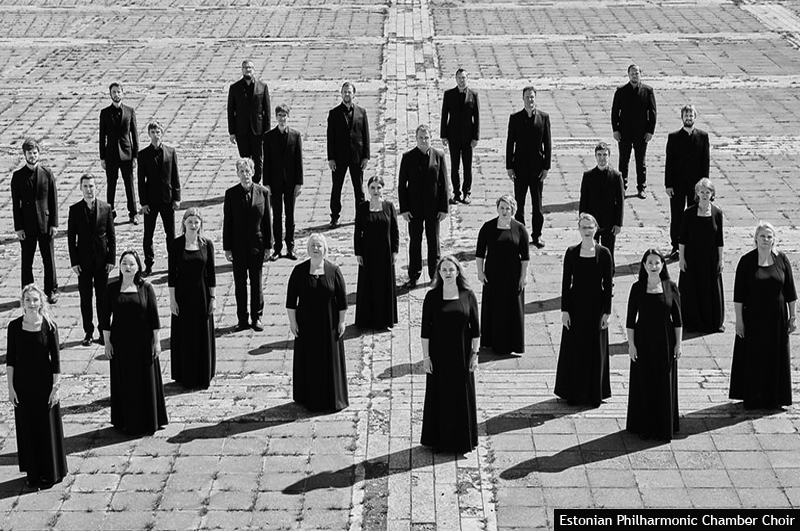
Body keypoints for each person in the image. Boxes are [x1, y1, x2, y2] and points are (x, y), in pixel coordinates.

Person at [729, 222, 797, 409]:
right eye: (762, 236)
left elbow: (790, 292)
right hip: (753, 318)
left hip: (777, 319)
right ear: (756, 239)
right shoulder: (746, 261)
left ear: (774, 239)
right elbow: (738, 295)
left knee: (775, 357)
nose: (766, 240)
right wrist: (739, 321)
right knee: (754, 357)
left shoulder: (782, 259)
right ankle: (753, 397)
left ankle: (775, 397)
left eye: (769, 236)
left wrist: (793, 317)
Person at [100, 250, 168, 435]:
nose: (127, 267)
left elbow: (154, 318)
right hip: (121, 343)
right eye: (124, 264)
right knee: (125, 382)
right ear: (119, 267)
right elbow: (105, 319)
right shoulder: (111, 288)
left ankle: (149, 420)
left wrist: (157, 343)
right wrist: (107, 343)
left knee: (145, 381)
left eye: (131, 264)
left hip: (143, 343)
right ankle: (126, 421)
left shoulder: (146, 288)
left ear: (138, 267)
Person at [6, 284, 67, 488]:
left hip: (45, 384)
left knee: (46, 429)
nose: (32, 304)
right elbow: (11, 360)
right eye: (28, 300)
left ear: (41, 301)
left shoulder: (50, 326)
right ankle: (33, 474)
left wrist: (55, 387)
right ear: (22, 303)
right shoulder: (14, 327)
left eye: (35, 299)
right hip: (23, 385)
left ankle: (50, 473)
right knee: (28, 428)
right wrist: (10, 388)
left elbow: (56, 361)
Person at [420, 256, 480, 453]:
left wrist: (475, 354)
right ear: (438, 273)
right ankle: (438, 440)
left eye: (450, 269)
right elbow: (425, 331)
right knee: (439, 395)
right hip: (438, 356)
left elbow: (476, 330)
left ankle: (463, 441)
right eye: (443, 270)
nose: (447, 273)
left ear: (457, 272)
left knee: (461, 395)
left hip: (462, 355)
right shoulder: (431, 297)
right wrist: (426, 357)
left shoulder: (468, 295)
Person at [554, 213, 613, 407]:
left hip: (596, 307)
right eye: (583, 227)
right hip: (576, 306)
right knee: (576, 349)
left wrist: (607, 313)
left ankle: (594, 393)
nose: (587, 231)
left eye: (590, 227)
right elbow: (565, 283)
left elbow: (608, 284)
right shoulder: (571, 252)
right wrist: (564, 310)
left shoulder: (604, 253)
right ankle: (574, 392)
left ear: (596, 229)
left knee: (595, 350)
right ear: (579, 230)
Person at [286, 234, 349, 412]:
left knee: (329, 362)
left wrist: (342, 322)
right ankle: (308, 397)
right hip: (307, 327)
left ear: (325, 249)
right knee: (309, 361)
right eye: (312, 245)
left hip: (329, 326)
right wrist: (293, 323)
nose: (315, 248)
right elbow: (291, 302)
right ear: (308, 249)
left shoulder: (334, 271)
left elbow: (342, 302)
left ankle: (332, 398)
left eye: (319, 246)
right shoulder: (299, 271)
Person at [625, 249, 682, 441]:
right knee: (645, 382)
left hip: (666, 342)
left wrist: (678, 345)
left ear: (663, 265)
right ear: (644, 265)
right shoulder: (637, 288)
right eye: (649, 262)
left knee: (663, 383)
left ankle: (663, 427)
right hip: (643, 341)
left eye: (657, 262)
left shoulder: (671, 287)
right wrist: (631, 345)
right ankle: (645, 426)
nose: (653, 266)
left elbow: (678, 320)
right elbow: (631, 320)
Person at [169, 208, 217, 389]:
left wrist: (213, 297)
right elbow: (172, 275)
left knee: (201, 334)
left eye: (196, 222)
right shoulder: (176, 245)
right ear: (184, 223)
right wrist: (172, 300)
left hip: (202, 294)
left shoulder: (207, 244)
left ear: (200, 224)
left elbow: (211, 274)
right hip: (182, 295)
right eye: (190, 222)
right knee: (185, 335)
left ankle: (203, 373)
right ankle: (186, 375)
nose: (193, 225)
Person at [223, 158, 273, 332]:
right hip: (237, 246)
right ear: (237, 173)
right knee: (240, 284)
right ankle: (242, 319)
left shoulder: (263, 193)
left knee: (256, 282)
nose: (245, 174)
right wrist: (227, 247)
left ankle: (257, 317)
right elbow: (227, 221)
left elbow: (267, 221)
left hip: (257, 245)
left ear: (253, 172)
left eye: (247, 171)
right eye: (241, 171)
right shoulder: (230, 194)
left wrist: (269, 245)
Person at [475, 195, 529, 355]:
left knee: (513, 308)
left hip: (513, 275)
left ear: (513, 209)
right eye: (502, 208)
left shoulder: (520, 229)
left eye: (508, 208)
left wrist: (523, 276)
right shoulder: (488, 227)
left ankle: (514, 344)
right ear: (497, 208)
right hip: (493, 274)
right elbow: (479, 253)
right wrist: (480, 271)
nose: (505, 211)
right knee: (494, 308)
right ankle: (491, 343)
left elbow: (525, 257)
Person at [68, 174, 116, 346]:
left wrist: (112, 259)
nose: (89, 190)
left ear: (96, 187)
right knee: (85, 298)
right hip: (83, 262)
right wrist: (74, 262)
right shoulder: (74, 210)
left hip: (102, 262)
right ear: (81, 188)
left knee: (103, 299)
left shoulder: (106, 208)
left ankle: (104, 331)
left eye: (91, 186)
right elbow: (71, 238)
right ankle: (88, 331)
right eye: (86, 186)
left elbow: (111, 235)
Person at [398, 125, 449, 288]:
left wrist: (444, 208)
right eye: (421, 138)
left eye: (426, 137)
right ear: (416, 138)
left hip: (433, 208)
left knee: (434, 242)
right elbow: (401, 185)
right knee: (415, 241)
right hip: (414, 209)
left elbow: (444, 184)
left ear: (431, 138)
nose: (424, 140)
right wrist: (404, 209)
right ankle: (414, 274)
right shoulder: (407, 157)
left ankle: (434, 274)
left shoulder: (439, 156)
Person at [11, 138, 60, 304]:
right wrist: (18, 228)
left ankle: (51, 290)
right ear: (24, 155)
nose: (32, 156)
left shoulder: (47, 173)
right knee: (27, 262)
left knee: (49, 259)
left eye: (35, 153)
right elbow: (15, 205)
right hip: (27, 225)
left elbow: (53, 199)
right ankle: (27, 292)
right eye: (29, 153)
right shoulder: (17, 177)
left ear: (39, 153)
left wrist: (54, 223)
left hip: (45, 224)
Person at [506, 86, 551, 248]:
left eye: (532, 97)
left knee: (537, 206)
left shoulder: (544, 118)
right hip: (519, 169)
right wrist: (509, 167)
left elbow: (548, 143)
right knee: (519, 205)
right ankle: (520, 235)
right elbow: (510, 143)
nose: (530, 100)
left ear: (535, 98)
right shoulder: (515, 118)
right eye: (527, 97)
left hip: (537, 169)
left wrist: (546, 167)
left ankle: (537, 235)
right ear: (523, 99)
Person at [678, 178, 724, 333]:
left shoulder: (717, 213)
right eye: (702, 192)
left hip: (710, 259)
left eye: (708, 192)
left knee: (710, 290)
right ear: (697, 193)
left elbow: (720, 239)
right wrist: (681, 258)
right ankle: (692, 322)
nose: (704, 195)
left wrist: (721, 259)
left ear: (712, 194)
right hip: (692, 258)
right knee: (692, 290)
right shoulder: (689, 213)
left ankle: (711, 322)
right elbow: (682, 238)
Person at [665, 104, 710, 258]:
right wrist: (668, 184)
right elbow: (669, 162)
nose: (689, 118)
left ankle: (692, 243)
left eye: (691, 116)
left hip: (696, 186)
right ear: (682, 118)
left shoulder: (703, 137)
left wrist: (705, 186)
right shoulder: (673, 137)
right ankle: (675, 246)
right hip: (677, 185)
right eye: (686, 116)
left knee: (694, 214)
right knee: (676, 216)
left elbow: (706, 162)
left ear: (695, 118)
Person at [354, 176, 399, 329]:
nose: (375, 191)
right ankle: (367, 320)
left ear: (383, 189)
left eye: (378, 187)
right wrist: (358, 253)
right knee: (368, 285)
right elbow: (357, 232)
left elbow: (395, 230)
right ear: (368, 189)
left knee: (384, 285)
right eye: (372, 187)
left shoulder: (389, 206)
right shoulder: (362, 208)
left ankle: (384, 320)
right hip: (367, 253)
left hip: (385, 253)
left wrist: (395, 251)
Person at [138, 121, 181, 277]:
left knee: (171, 234)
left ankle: (173, 264)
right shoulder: (143, 155)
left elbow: (175, 176)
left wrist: (177, 197)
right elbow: (141, 181)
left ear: (162, 133)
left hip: (167, 199)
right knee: (148, 234)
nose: (155, 135)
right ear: (149, 134)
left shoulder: (170, 152)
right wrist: (143, 203)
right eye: (153, 132)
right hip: (151, 200)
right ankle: (148, 264)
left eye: (158, 132)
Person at [327, 81, 370, 227]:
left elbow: (366, 136)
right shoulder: (334, 113)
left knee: (359, 188)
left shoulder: (361, 112)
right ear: (341, 94)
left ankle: (361, 215)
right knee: (336, 188)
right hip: (339, 157)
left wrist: (366, 156)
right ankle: (334, 216)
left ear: (354, 94)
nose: (347, 94)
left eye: (349, 92)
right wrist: (331, 158)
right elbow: (330, 137)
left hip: (357, 156)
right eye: (344, 91)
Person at [264, 103, 303, 261]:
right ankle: (277, 248)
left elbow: (298, 160)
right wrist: (266, 182)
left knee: (290, 216)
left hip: (291, 182)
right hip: (274, 182)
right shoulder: (268, 136)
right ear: (276, 117)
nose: (282, 118)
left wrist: (299, 182)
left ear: (288, 117)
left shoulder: (295, 135)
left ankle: (290, 247)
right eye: (279, 115)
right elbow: (266, 161)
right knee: (277, 216)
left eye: (284, 115)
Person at [611, 64, 657, 199]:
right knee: (623, 161)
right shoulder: (621, 91)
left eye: (636, 73)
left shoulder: (648, 91)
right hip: (624, 132)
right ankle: (622, 187)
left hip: (641, 132)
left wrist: (650, 131)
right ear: (628, 75)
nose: (634, 75)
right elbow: (614, 112)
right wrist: (615, 129)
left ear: (640, 74)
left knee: (640, 161)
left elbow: (653, 113)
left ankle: (641, 187)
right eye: (631, 73)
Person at [99, 82, 140, 223]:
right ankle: (110, 213)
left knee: (129, 184)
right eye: (113, 92)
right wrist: (102, 157)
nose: (116, 94)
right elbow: (102, 136)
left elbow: (134, 135)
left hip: (126, 154)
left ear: (122, 93)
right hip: (111, 154)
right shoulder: (104, 113)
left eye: (118, 91)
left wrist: (135, 155)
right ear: (110, 94)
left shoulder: (129, 111)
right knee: (111, 184)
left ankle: (133, 213)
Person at [578, 142, 625, 259]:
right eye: (599, 155)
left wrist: (618, 223)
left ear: (609, 156)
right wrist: (582, 221)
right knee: (591, 252)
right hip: (592, 222)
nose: (602, 158)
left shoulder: (616, 176)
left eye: (605, 155)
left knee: (608, 253)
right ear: (595, 156)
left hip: (609, 223)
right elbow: (583, 199)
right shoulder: (588, 176)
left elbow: (620, 201)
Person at [227, 60, 271, 184]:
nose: (248, 70)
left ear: (254, 70)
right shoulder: (235, 88)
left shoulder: (262, 87)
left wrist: (267, 133)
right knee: (245, 159)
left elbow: (266, 112)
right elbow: (231, 111)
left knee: (258, 159)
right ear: (242, 70)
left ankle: (256, 183)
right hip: (242, 130)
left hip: (258, 130)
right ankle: (246, 182)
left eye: (250, 67)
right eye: (245, 67)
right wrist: (232, 132)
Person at [440, 68, 480, 205]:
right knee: (455, 166)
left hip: (468, 137)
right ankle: (456, 194)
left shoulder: (473, 95)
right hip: (454, 136)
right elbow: (445, 115)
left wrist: (476, 137)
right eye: (459, 78)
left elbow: (477, 117)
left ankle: (467, 193)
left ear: (467, 79)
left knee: (467, 166)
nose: (461, 81)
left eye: (463, 78)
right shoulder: (449, 94)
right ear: (455, 79)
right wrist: (444, 135)